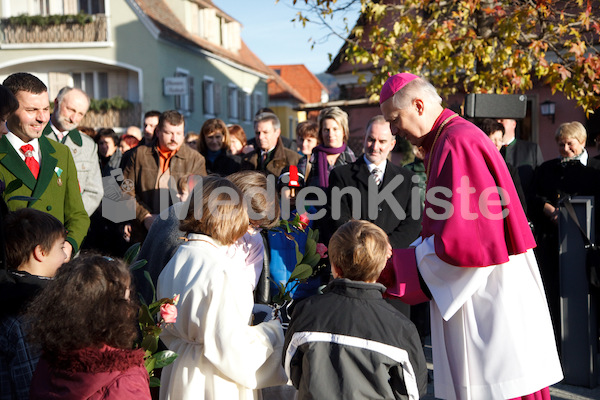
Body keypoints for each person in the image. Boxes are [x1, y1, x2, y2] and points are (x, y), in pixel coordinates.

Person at [379, 72, 562, 400]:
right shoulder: (448, 139)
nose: (393, 130)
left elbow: (467, 246)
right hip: (482, 290)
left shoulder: (457, 141)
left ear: (419, 105)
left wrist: (391, 269)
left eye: (395, 119)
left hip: (487, 295)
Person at [156, 176, 287, 400]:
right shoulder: (224, 272)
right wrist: (274, 331)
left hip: (179, 369)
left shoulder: (178, 258)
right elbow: (232, 351)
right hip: (214, 381)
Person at [284, 220, 428, 399]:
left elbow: (292, 372)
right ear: (383, 266)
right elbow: (413, 390)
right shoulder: (400, 327)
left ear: (334, 267)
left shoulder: (306, 312)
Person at [133, 170, 280, 306]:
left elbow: (242, 294)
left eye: (257, 228)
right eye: (248, 223)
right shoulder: (183, 220)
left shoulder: (252, 240)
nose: (248, 231)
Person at [26, 254, 151, 399]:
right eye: (127, 298)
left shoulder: (50, 362)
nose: (132, 305)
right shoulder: (123, 378)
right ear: (113, 310)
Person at [0, 72, 89, 261]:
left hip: (53, 266)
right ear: (8, 111)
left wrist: (68, 246)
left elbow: (78, 214)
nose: (42, 118)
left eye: (45, 109)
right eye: (31, 110)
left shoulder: (60, 153)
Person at [533, 121, 600, 346]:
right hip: (553, 242)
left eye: (570, 144)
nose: (565, 150)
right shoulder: (547, 169)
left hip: (586, 244)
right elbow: (534, 196)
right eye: (561, 145)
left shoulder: (595, 170)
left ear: (582, 142)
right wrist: (548, 208)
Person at [0, 208, 67, 400]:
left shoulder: (11, 291)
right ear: (40, 252)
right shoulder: (28, 312)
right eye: (61, 247)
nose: (65, 256)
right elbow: (32, 385)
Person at [327, 115, 422, 249]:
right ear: (364, 138)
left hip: (393, 259)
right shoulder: (341, 175)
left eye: (382, 141)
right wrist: (365, 248)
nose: (375, 146)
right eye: (371, 139)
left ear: (392, 144)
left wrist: (386, 247)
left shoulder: (408, 180)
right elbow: (338, 219)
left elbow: (413, 223)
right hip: (355, 256)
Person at [123, 109, 206, 243]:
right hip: (143, 233)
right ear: (158, 132)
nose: (174, 138)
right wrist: (145, 216)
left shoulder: (195, 160)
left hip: (180, 234)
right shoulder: (139, 155)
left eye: (179, 133)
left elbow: (200, 198)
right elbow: (125, 192)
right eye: (169, 133)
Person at [43, 86, 104, 216]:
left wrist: (73, 219)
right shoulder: (33, 135)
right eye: (71, 110)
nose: (74, 118)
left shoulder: (87, 146)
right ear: (56, 102)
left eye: (80, 114)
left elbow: (94, 191)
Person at [298, 106, 356, 189]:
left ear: (344, 131)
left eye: (335, 129)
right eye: (326, 130)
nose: (330, 134)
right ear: (321, 132)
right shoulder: (308, 162)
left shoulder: (354, 163)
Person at [479, 118, 528, 213]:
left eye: (500, 140)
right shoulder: (475, 166)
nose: (497, 144)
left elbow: (520, 204)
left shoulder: (509, 170)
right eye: (493, 139)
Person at [498, 117, 544, 215]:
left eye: (502, 120)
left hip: (528, 211)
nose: (498, 123)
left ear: (513, 124)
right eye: (496, 120)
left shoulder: (531, 149)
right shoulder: (491, 151)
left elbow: (540, 183)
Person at [241, 112, 302, 177]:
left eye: (265, 132)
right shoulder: (247, 159)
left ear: (277, 132)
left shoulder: (293, 159)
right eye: (257, 133)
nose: (260, 137)